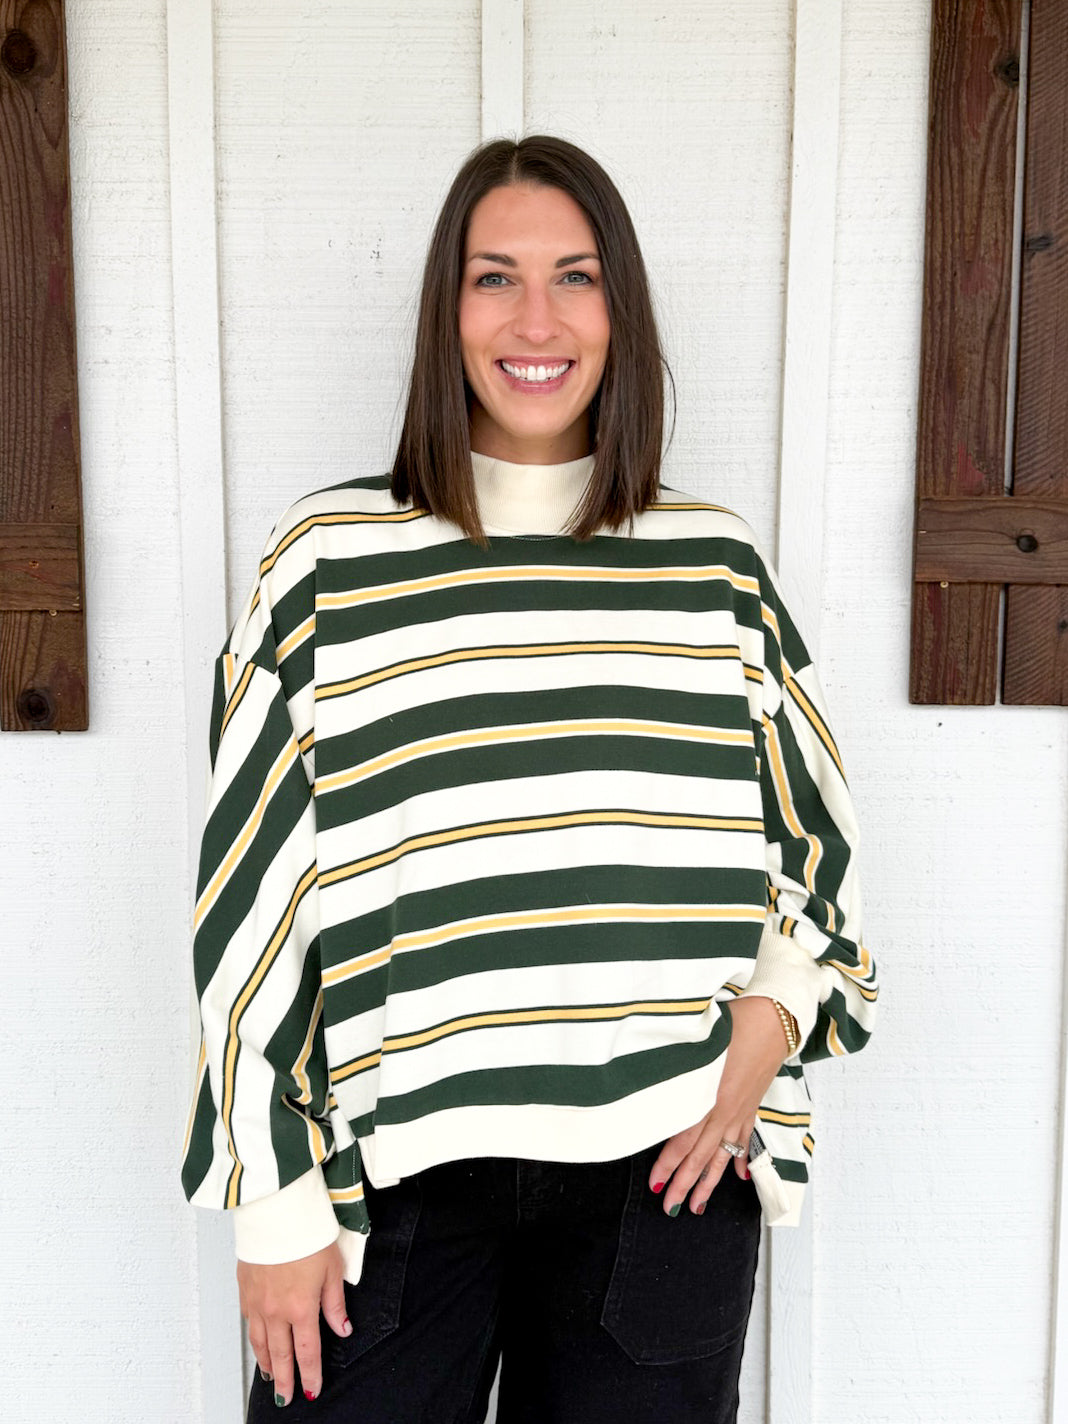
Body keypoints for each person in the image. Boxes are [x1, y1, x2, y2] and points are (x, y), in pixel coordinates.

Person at [181, 135, 877, 1423]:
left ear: (622, 313)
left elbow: (815, 851)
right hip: (389, 1181)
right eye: (495, 277)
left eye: (577, 277)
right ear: (446, 310)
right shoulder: (327, 561)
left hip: (662, 1175)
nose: (537, 321)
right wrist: (270, 1198)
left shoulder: (712, 568)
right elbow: (250, 898)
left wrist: (769, 1027)